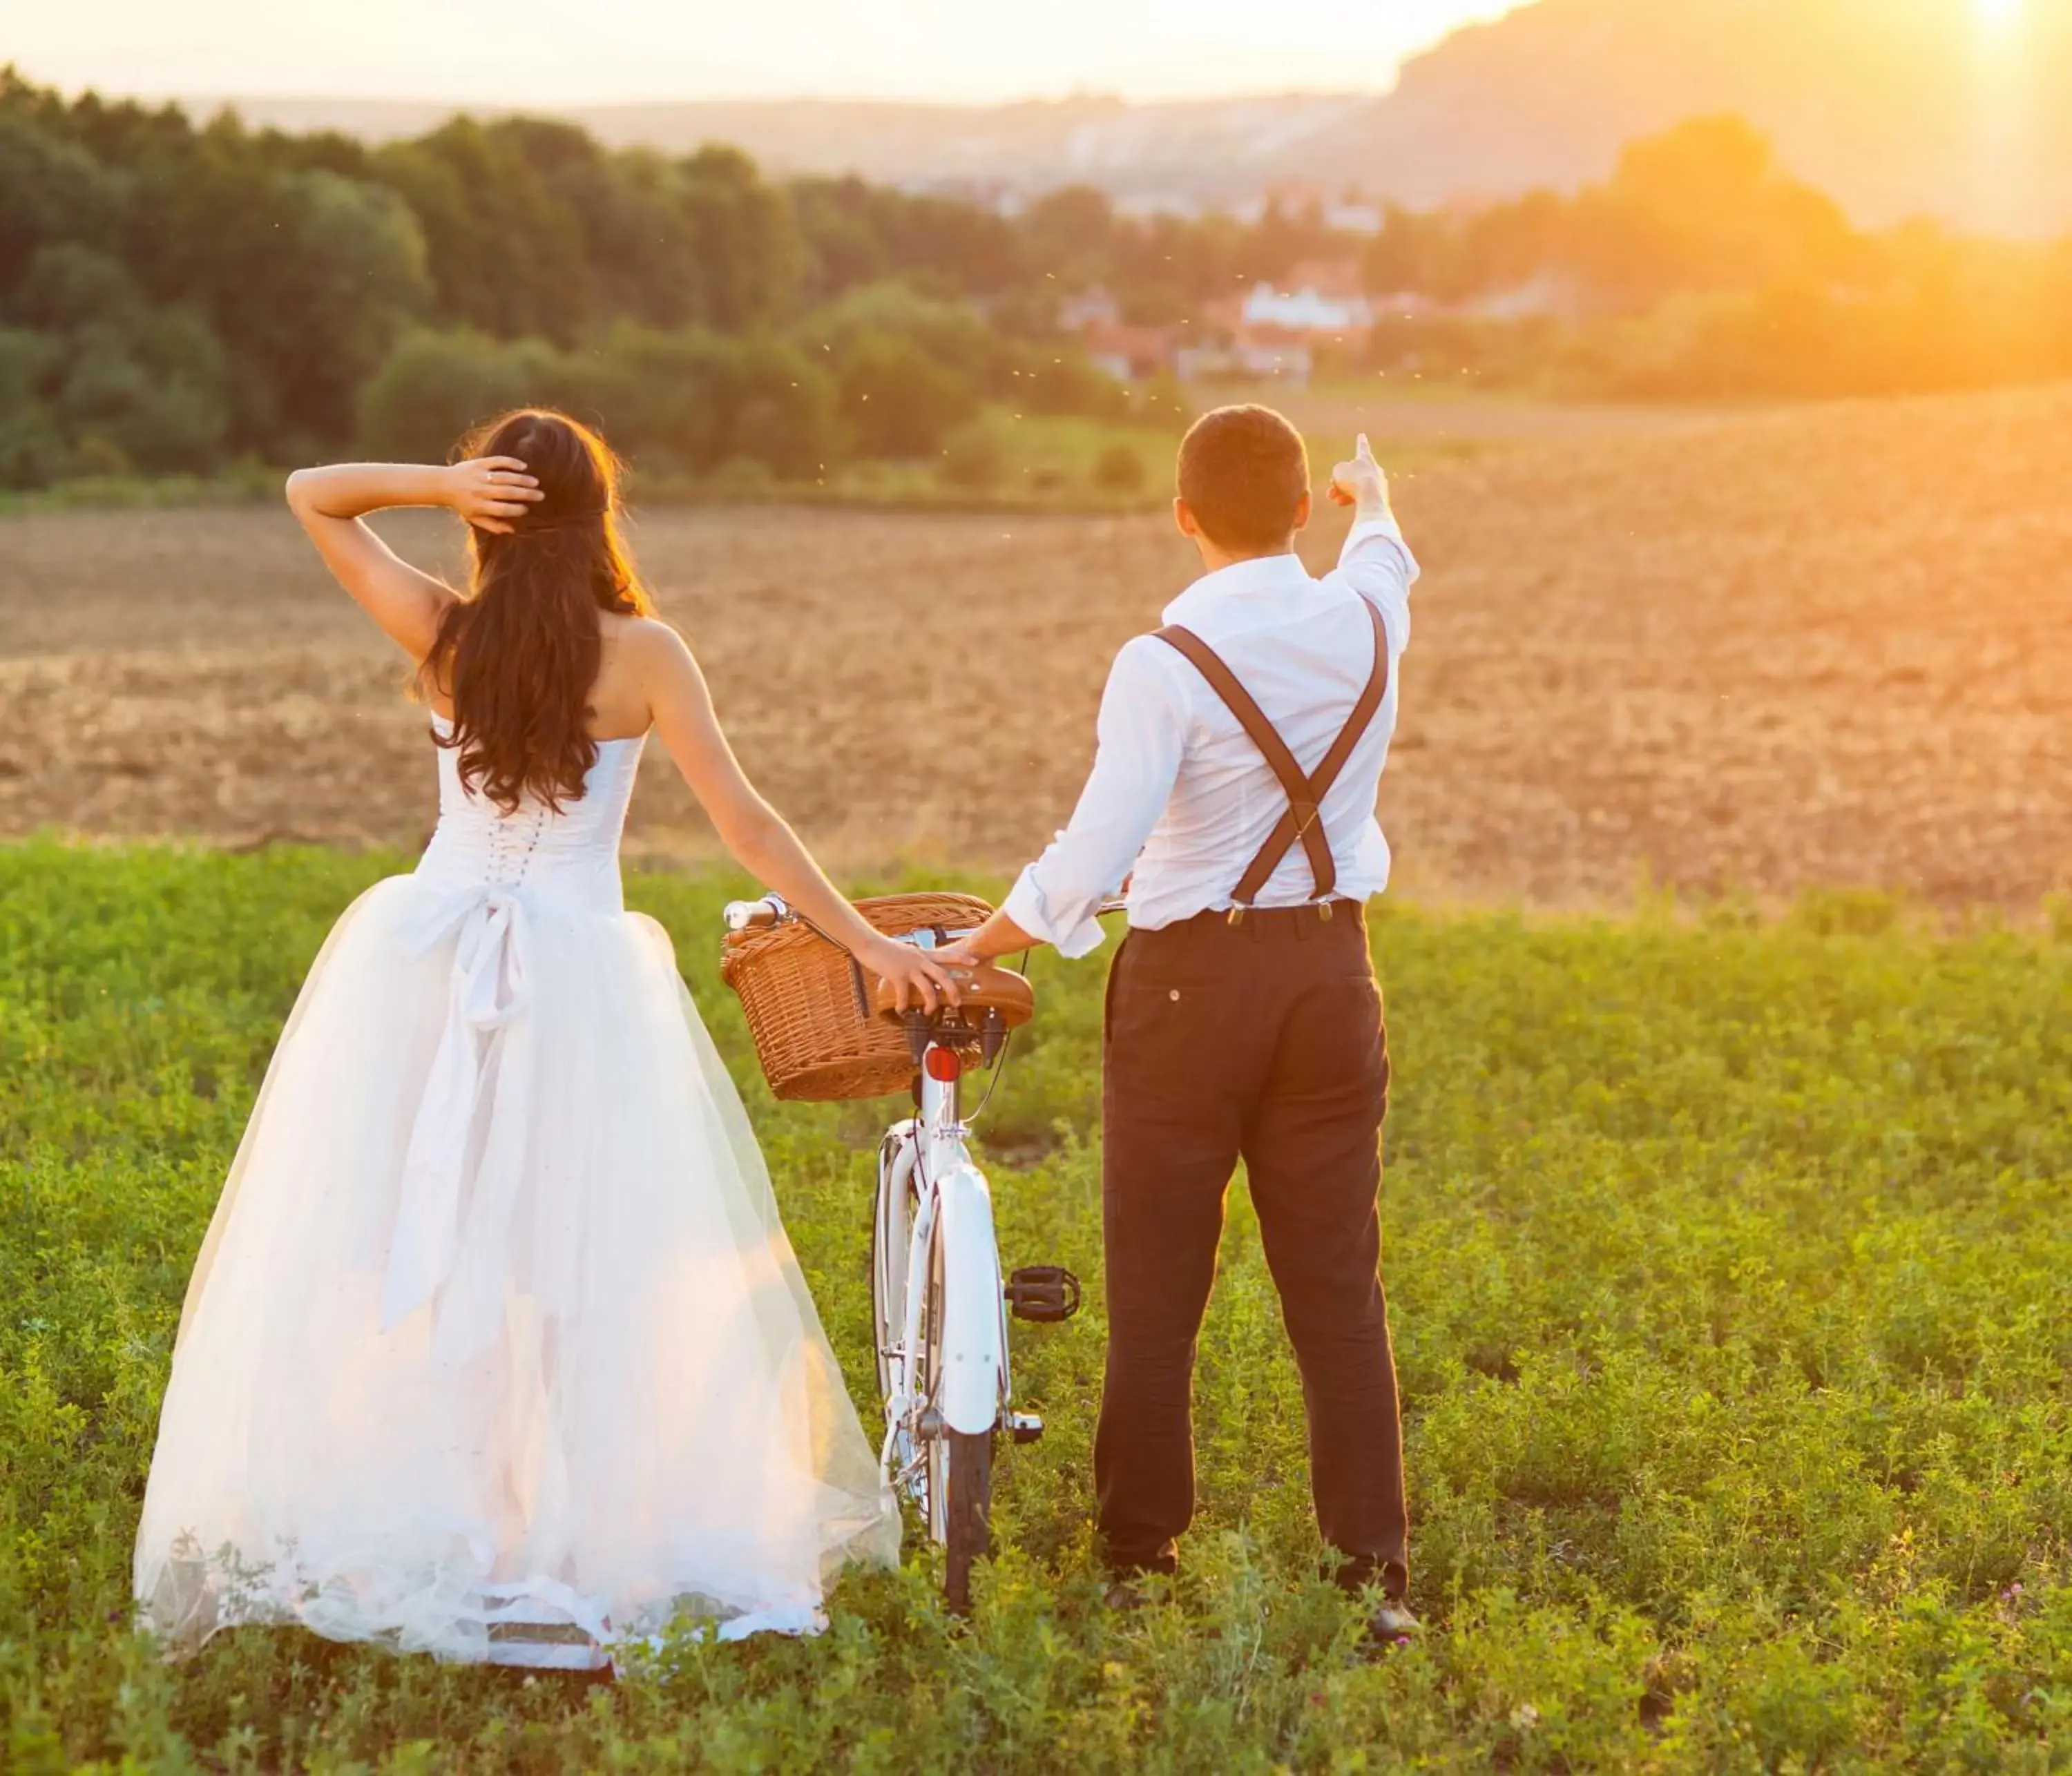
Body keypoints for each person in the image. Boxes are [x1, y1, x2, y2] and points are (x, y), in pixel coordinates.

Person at [133, 409, 955, 1669]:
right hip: (574, 976)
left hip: (425, 962)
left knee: (439, 1247)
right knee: (584, 1269)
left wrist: (437, 484)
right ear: (597, 516)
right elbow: (750, 826)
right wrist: (870, 944)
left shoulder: (445, 633)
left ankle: (463, 1522)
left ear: (491, 516)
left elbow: (309, 490)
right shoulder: (648, 655)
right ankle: (555, 1537)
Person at [936, 405, 1421, 1642]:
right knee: (1337, 1292)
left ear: (1182, 517)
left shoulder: (1162, 664)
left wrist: (988, 940)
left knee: (1158, 1291)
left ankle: (1139, 1558)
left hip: (1188, 992)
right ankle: (1374, 1582)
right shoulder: (1371, 616)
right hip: (1332, 980)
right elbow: (1389, 553)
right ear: (1306, 508)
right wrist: (1376, 494)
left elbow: (1103, 843)